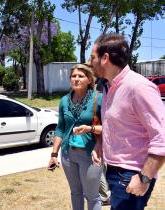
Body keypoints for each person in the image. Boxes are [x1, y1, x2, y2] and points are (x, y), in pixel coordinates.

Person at [90, 33, 165, 210]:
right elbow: (115, 125)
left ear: (105, 58)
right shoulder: (109, 87)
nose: (90, 62)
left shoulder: (138, 87)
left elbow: (162, 137)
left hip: (132, 174)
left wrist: (144, 178)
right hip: (114, 170)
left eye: (92, 57)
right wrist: (100, 145)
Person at [48, 63, 103, 210]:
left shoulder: (99, 99)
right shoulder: (64, 101)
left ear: (89, 80)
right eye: (73, 76)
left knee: (92, 197)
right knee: (75, 193)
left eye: (81, 76)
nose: (76, 79)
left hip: (90, 154)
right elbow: (60, 128)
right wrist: (54, 154)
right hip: (67, 154)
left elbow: (110, 128)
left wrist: (90, 128)